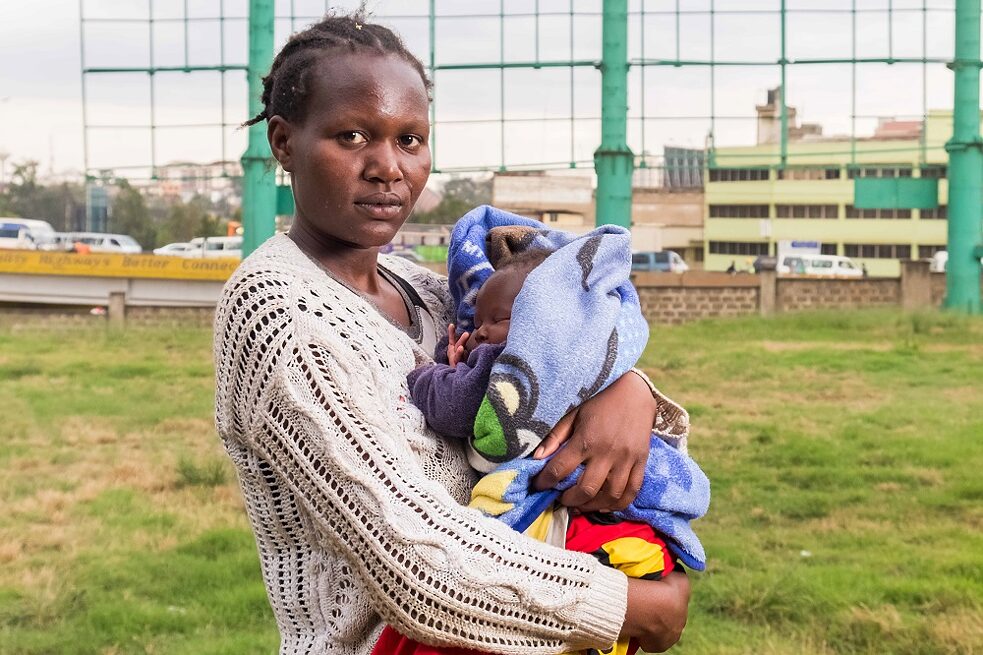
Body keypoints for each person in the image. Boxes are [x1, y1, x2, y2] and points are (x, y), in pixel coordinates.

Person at [214, 12, 690, 655]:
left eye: (410, 140)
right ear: (283, 143)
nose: (388, 167)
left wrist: (623, 387)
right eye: (352, 136)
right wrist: (627, 606)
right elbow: (413, 562)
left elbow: (547, 369)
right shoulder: (278, 313)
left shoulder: (429, 290)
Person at [374, 241, 707, 655]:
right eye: (477, 320)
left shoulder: (509, 367)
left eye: (497, 319)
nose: (478, 331)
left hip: (550, 516)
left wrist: (438, 368)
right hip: (527, 572)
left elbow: (451, 407)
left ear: (540, 324)